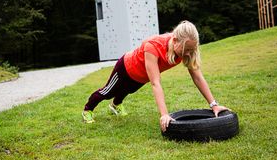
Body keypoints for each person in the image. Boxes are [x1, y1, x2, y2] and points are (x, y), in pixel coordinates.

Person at [82, 20, 230, 132]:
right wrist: (164, 114)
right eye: (186, 49)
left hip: (140, 76)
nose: (188, 54)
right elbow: (156, 83)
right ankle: (88, 109)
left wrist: (214, 105)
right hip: (126, 68)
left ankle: (115, 106)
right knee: (108, 91)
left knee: (128, 90)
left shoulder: (186, 51)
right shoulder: (153, 46)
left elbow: (197, 77)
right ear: (175, 40)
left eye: (192, 50)